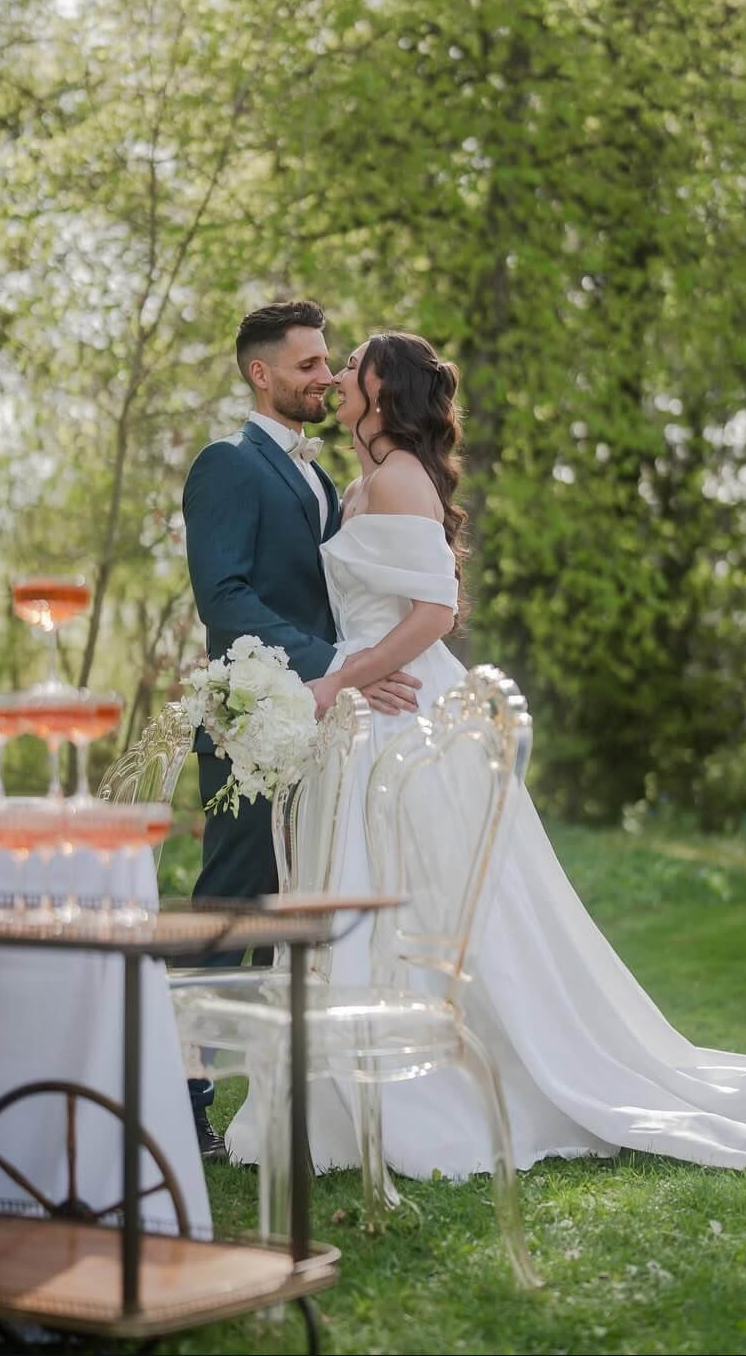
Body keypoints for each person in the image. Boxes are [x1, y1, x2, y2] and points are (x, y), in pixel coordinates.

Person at [227, 329, 746, 1176]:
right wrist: (346, 678)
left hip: (408, 709)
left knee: (444, 904)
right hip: (373, 704)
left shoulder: (399, 479)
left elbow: (436, 612)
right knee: (386, 895)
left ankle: (448, 1084)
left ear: (380, 392)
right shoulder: (365, 482)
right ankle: (356, 1086)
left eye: (351, 371)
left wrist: (347, 679)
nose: (336, 381)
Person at [181, 300, 421, 1157]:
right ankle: (181, 1094)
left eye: (328, 363)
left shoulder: (322, 480)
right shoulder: (227, 465)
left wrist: (349, 674)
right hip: (257, 722)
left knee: (290, 909)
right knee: (232, 907)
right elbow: (227, 597)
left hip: (326, 720)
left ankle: (287, 1092)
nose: (327, 376)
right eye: (311, 363)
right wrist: (335, 663)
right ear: (261, 373)